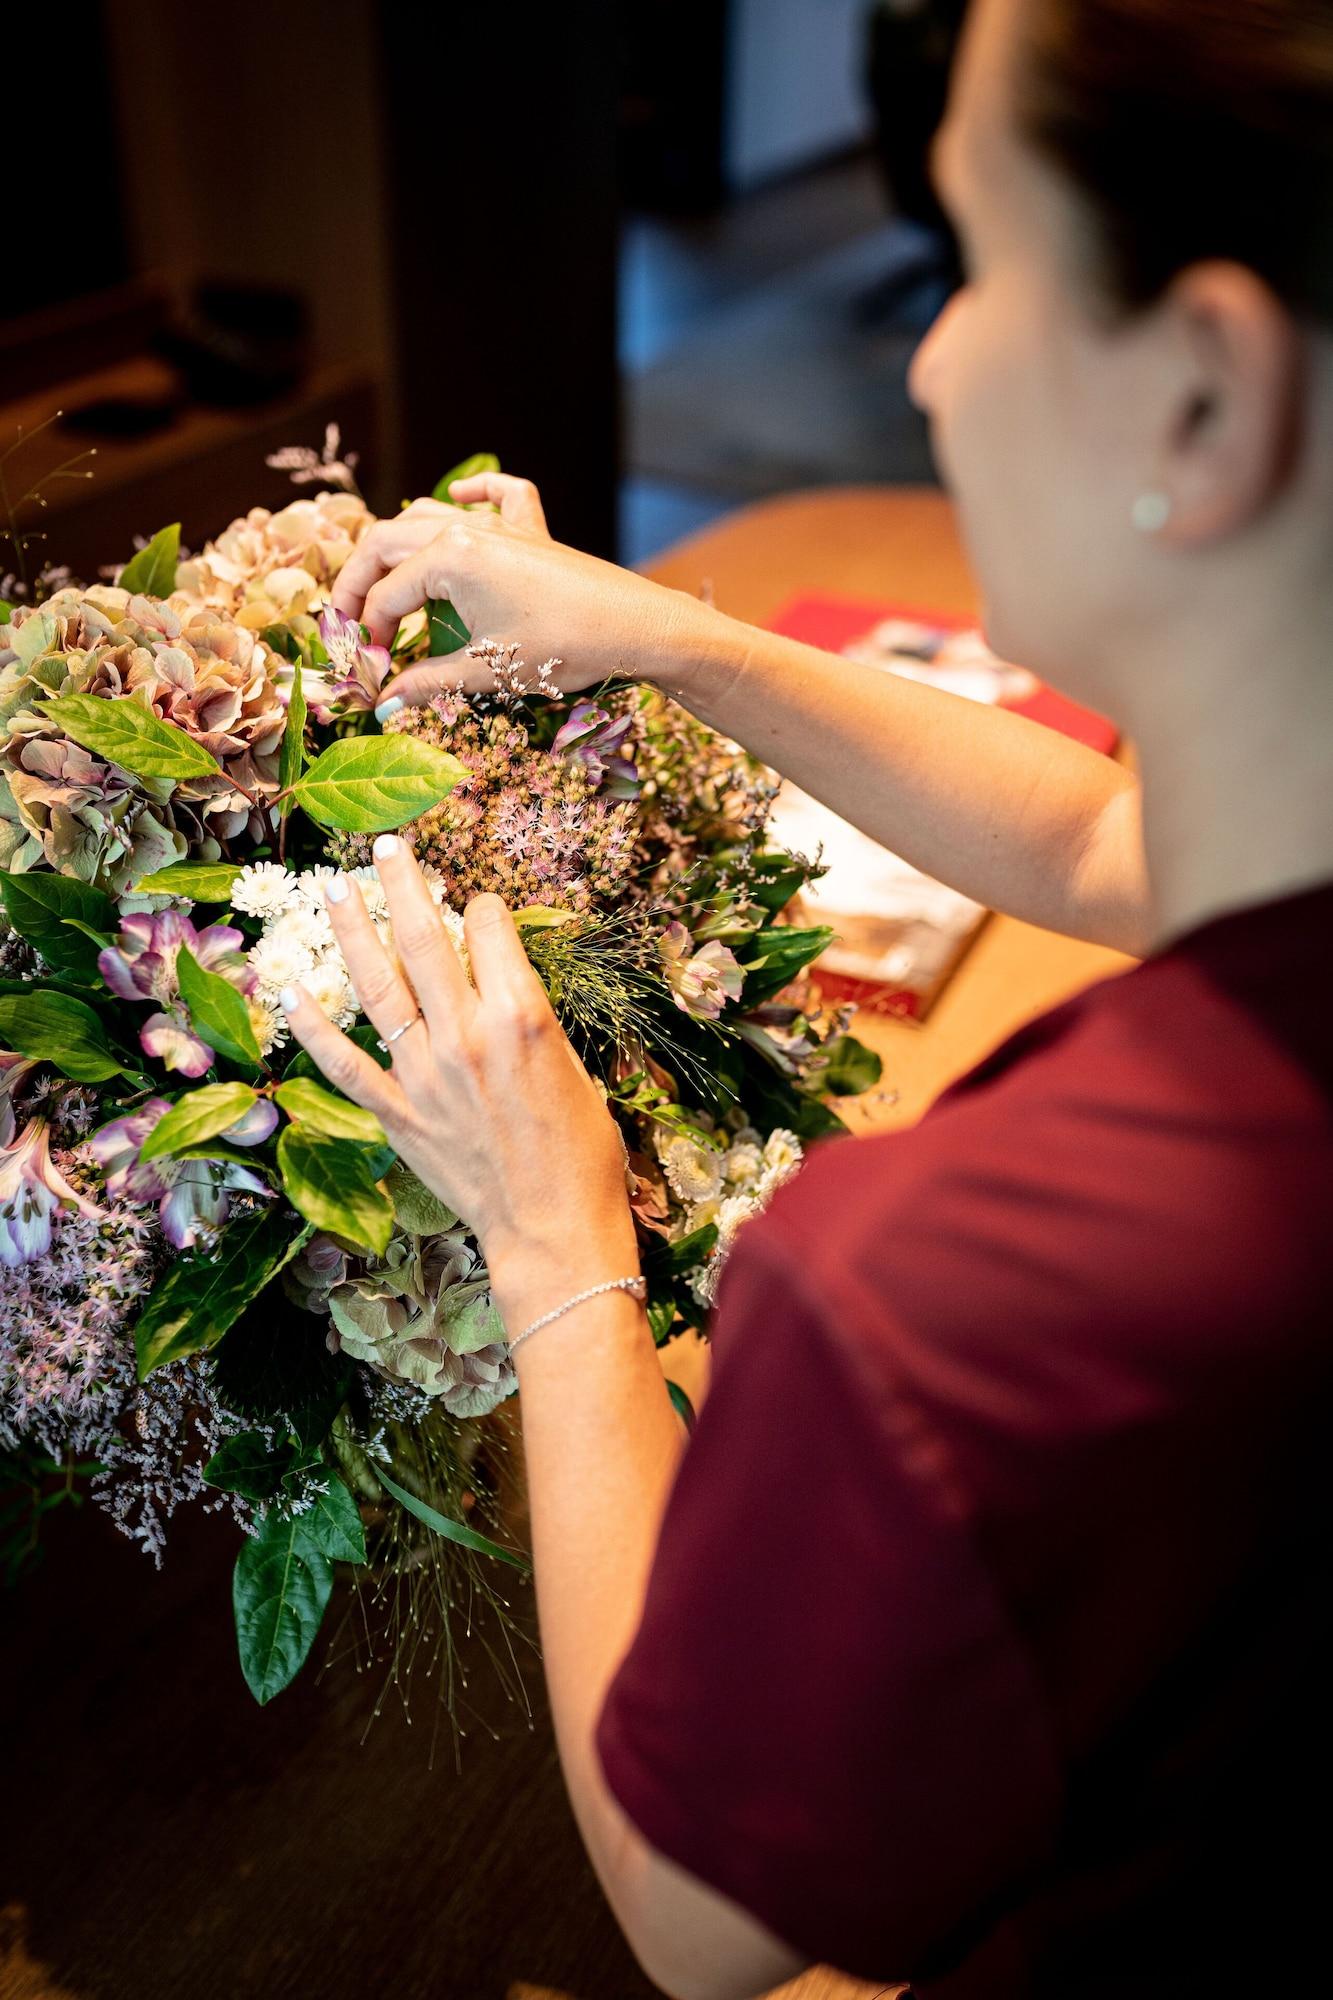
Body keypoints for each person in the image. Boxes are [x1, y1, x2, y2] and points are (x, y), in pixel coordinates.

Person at [277, 1, 1333, 1992]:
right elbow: (1115, 850)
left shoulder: (958, 1289)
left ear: (1203, 394)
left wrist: (555, 1240)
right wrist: (675, 639)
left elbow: (699, 1915)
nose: (929, 354)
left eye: (974, 259)